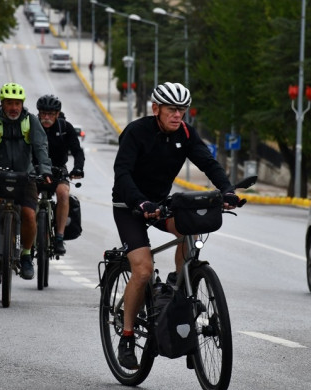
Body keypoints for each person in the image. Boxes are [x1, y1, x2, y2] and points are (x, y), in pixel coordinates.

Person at [111, 82, 240, 369]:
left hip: (160, 203)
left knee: (189, 229)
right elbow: (122, 174)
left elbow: (208, 162)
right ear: (156, 109)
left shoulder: (185, 134)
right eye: (172, 109)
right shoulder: (136, 132)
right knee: (143, 269)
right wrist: (139, 203)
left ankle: (179, 284)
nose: (177, 115)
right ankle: (128, 338)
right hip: (129, 206)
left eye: (182, 110)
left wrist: (227, 190)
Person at [0, 82, 53, 280]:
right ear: (2, 104)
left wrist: (45, 170)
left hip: (26, 175)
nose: (14, 107)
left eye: (17, 103)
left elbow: (41, 149)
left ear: (22, 104)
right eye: (9, 103)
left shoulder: (31, 122)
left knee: (29, 214)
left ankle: (26, 255)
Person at [35, 94, 84, 255]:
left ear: (57, 114)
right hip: (34, 170)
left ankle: (59, 237)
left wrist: (78, 168)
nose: (47, 117)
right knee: (25, 197)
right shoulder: (31, 126)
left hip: (58, 170)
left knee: (63, 194)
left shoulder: (65, 128)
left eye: (51, 114)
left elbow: (77, 151)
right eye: (43, 113)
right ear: (39, 113)